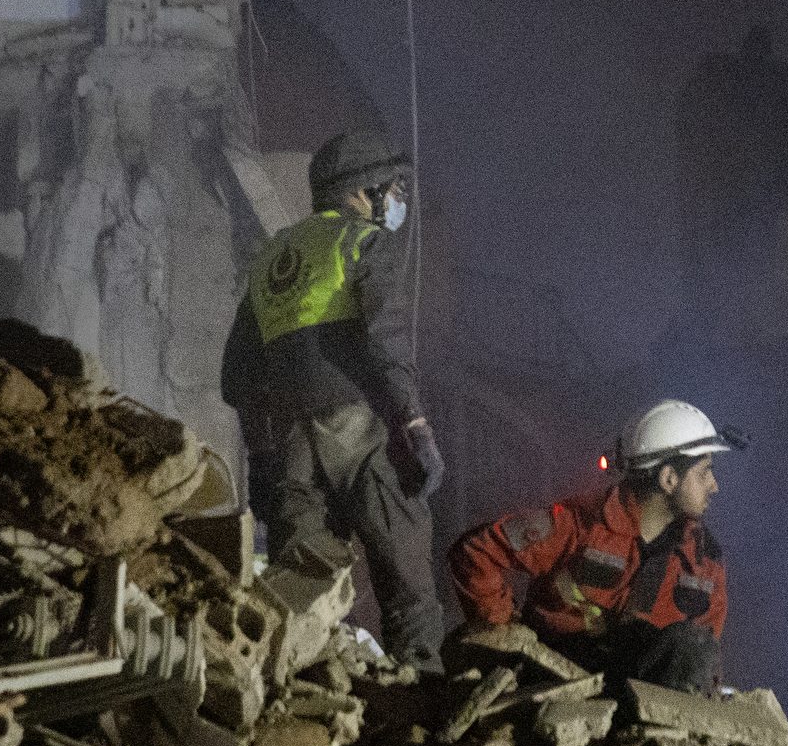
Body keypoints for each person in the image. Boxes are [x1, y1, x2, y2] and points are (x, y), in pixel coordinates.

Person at [222, 128, 446, 671]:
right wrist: (415, 425)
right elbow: (384, 338)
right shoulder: (363, 241)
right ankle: (420, 701)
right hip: (363, 425)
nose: (400, 202)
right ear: (364, 192)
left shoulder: (271, 258)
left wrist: (266, 457)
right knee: (406, 576)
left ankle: (298, 689)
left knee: (300, 586)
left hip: (294, 441)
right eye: (394, 190)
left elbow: (235, 376)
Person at [447, 400, 740, 690]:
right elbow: (476, 552)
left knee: (692, 647)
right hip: (554, 681)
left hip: (636, 699)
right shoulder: (580, 524)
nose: (714, 485)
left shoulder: (704, 561)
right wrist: (507, 633)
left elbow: (702, 653)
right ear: (669, 478)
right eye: (704, 472)